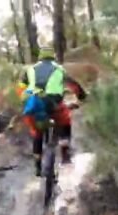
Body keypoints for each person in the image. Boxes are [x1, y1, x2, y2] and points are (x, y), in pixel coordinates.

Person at [16, 46, 87, 176]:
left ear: (40, 58)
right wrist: (82, 97)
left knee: (36, 133)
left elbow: (20, 90)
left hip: (35, 107)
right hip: (55, 107)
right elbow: (74, 85)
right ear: (53, 57)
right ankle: (65, 156)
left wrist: (26, 101)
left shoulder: (29, 70)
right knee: (65, 122)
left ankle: (37, 165)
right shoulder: (59, 69)